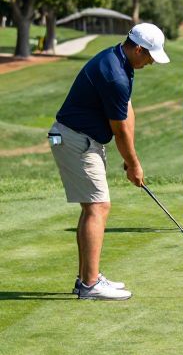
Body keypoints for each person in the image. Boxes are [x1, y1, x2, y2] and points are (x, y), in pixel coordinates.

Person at [48, 22, 170, 300]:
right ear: (138, 48)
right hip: (76, 140)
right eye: (150, 55)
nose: (151, 62)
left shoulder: (120, 61)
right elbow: (119, 129)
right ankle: (90, 285)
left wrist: (131, 158)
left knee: (93, 207)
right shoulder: (115, 73)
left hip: (82, 139)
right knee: (98, 207)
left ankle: (86, 279)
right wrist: (134, 164)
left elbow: (127, 111)